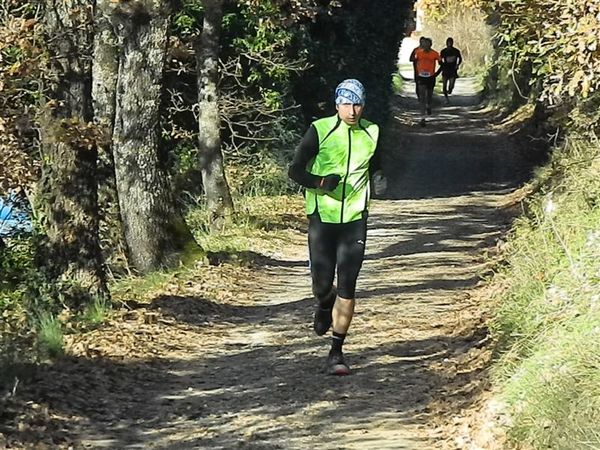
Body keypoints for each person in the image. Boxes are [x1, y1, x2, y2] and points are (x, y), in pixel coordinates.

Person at [288, 79, 387, 376]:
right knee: (321, 284)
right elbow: (294, 170)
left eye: (357, 104)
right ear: (337, 104)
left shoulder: (373, 131)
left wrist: (380, 178)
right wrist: (320, 183)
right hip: (322, 216)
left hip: (355, 220)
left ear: (364, 105)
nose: (352, 110)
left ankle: (336, 352)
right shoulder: (320, 130)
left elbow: (375, 164)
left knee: (348, 285)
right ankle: (323, 302)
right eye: (346, 104)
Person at [412, 37, 441, 126]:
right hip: (421, 77)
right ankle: (422, 118)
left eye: (427, 45)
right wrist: (417, 73)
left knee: (429, 96)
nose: (425, 47)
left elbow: (442, 64)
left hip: (431, 77)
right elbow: (414, 62)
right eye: (424, 45)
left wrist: (436, 73)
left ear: (430, 45)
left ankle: (428, 105)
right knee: (422, 97)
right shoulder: (418, 53)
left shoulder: (435, 54)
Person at [440, 37, 463, 104]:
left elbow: (460, 59)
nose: (449, 44)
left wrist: (457, 64)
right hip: (445, 69)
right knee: (444, 85)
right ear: (446, 43)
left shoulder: (456, 51)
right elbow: (439, 59)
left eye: (450, 42)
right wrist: (442, 64)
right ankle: (446, 98)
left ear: (453, 43)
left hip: (453, 69)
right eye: (448, 42)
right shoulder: (443, 51)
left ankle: (450, 90)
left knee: (451, 85)